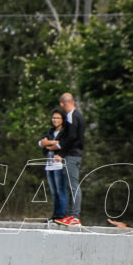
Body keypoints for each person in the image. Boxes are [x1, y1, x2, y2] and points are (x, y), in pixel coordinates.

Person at [43, 92, 85, 226]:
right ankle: (69, 214)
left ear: (62, 104)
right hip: (75, 154)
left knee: (73, 186)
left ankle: (74, 216)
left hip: (72, 155)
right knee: (69, 186)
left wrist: (61, 151)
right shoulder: (79, 116)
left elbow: (72, 137)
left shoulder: (71, 116)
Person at [37, 109, 69, 224]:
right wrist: (50, 143)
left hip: (59, 164)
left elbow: (62, 144)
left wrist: (49, 143)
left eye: (57, 118)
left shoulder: (65, 132)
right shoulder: (50, 131)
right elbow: (40, 143)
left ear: (62, 120)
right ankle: (55, 216)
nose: (55, 120)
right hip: (49, 165)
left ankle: (61, 215)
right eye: (53, 118)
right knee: (54, 192)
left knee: (61, 190)